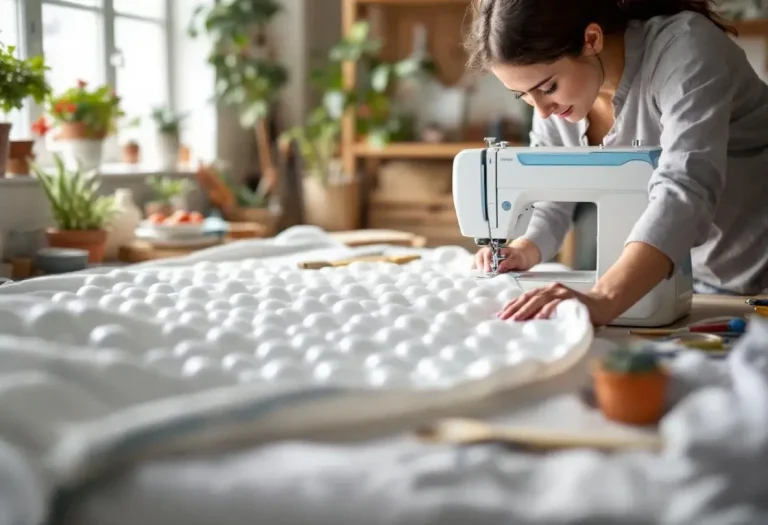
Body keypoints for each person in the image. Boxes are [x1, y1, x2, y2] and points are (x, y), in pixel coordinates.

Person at [464, 0, 768, 326]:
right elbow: (553, 194)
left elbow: (686, 189)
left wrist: (603, 298)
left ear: (591, 39)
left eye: (547, 87)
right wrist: (525, 248)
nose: (540, 110)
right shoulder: (557, 103)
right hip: (695, 281)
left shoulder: (686, 48)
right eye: (521, 95)